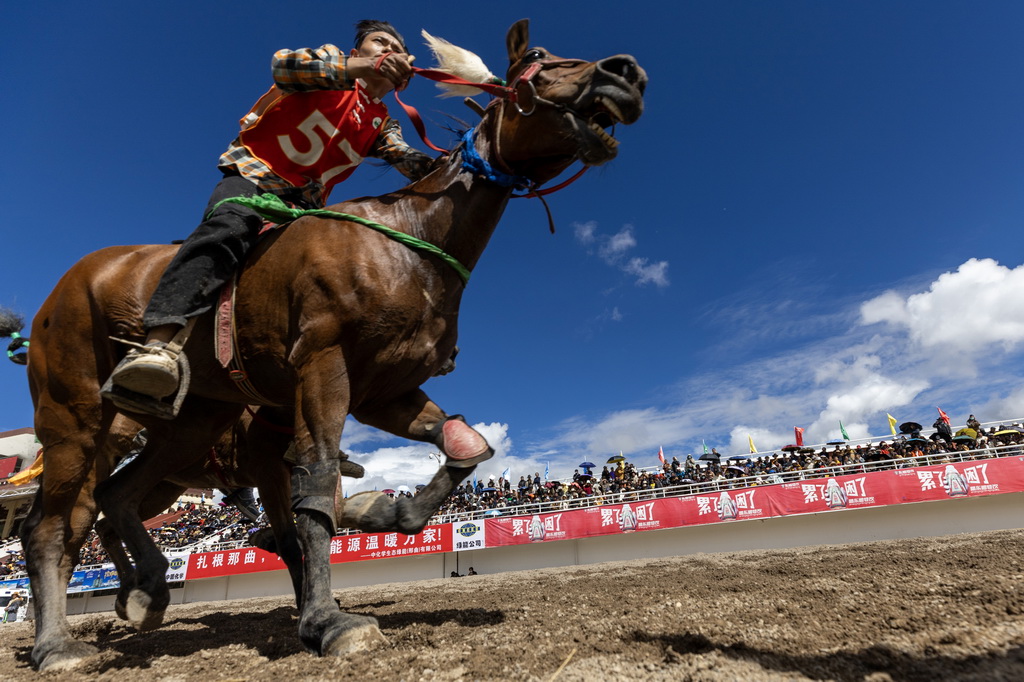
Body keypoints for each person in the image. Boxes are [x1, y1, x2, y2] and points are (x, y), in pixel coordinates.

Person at [108, 19, 434, 409]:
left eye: (397, 49)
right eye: (379, 43)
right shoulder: (329, 66)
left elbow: (409, 159)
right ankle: (155, 348)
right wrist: (363, 70)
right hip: (254, 179)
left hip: (303, 211)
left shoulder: (382, 122)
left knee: (328, 277)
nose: (388, 51)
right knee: (227, 230)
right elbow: (284, 65)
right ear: (355, 53)